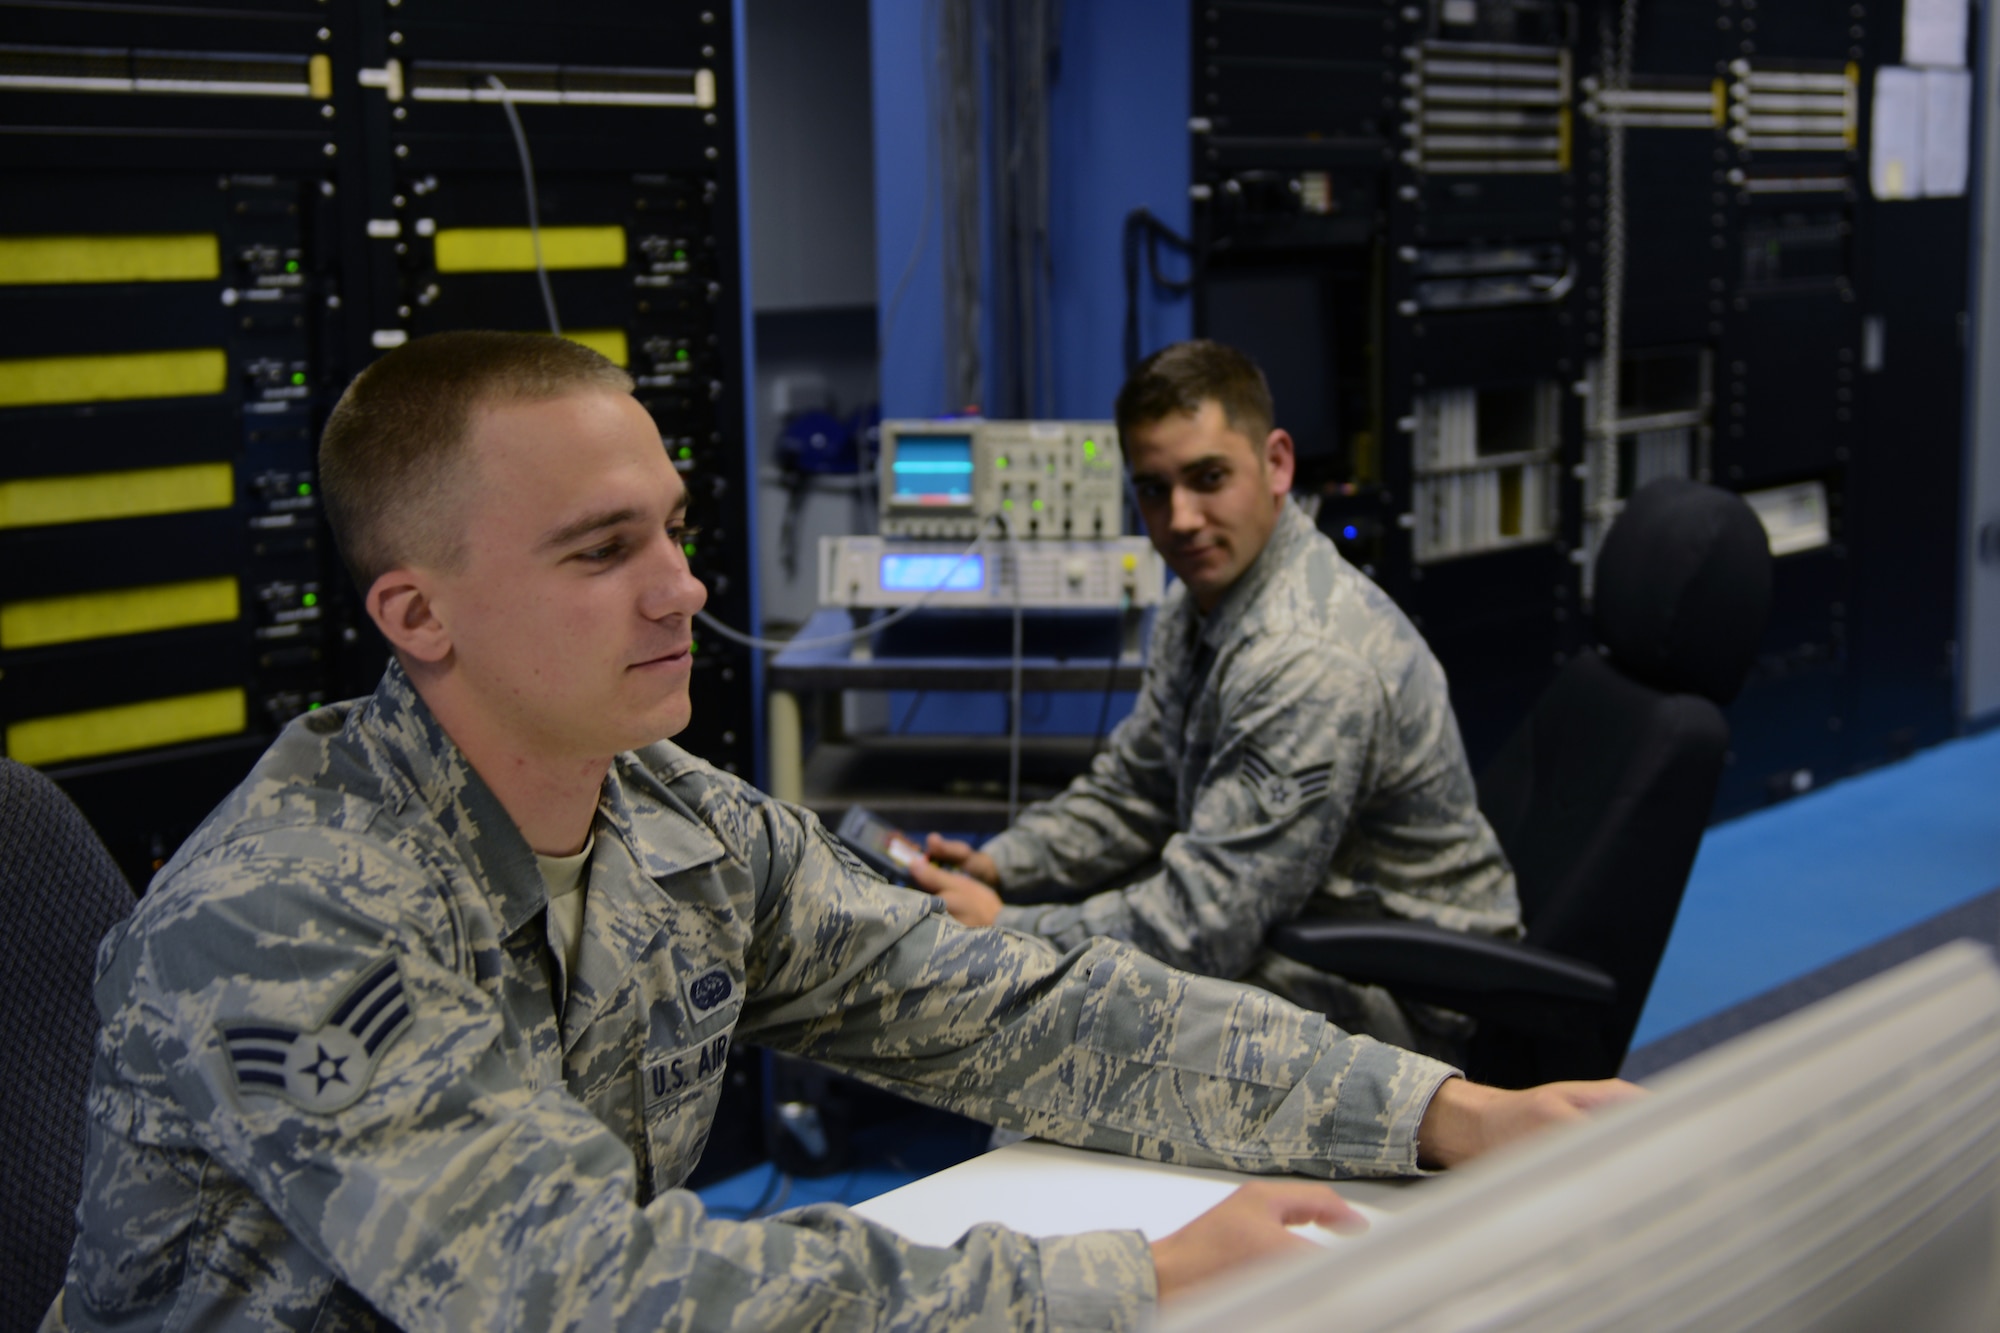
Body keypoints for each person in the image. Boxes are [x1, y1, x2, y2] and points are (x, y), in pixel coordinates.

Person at [49, 332, 1634, 1333]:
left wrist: (1433, 1110)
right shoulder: (288, 913)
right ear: (419, 614)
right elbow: (573, 1294)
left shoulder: (676, 822)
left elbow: (1012, 1005)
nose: (684, 589)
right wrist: (1122, 1278)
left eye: (672, 529)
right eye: (605, 551)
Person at [911, 340, 1520, 1060]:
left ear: (1277, 464)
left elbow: (1201, 929)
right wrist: (1006, 866)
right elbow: (1134, 788)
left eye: (1208, 478)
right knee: (1073, 997)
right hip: (1301, 929)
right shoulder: (1200, 600)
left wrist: (1009, 930)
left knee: (1072, 1035)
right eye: (1154, 489)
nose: (1182, 517)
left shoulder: (1307, 658)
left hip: (1408, 1001)